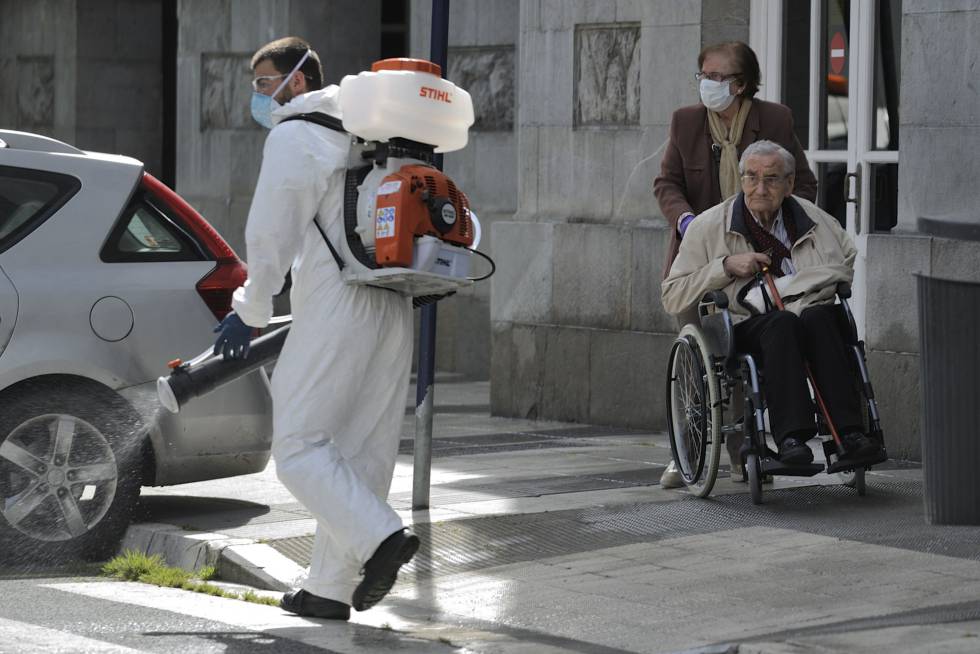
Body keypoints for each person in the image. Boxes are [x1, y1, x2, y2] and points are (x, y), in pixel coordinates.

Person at [212, 37, 418, 621]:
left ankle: (381, 538)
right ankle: (329, 589)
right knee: (360, 452)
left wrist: (249, 310)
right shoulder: (373, 132)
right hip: (392, 302)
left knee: (299, 447)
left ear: (296, 81)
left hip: (337, 303)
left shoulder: (298, 134)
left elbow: (271, 232)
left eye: (262, 82)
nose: (257, 95)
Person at [654, 41, 817, 487]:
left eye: (717, 76)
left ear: (741, 84)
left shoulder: (775, 119)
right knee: (697, 359)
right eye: (702, 74)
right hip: (699, 257)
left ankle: (742, 454)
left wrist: (776, 223)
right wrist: (685, 220)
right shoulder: (687, 122)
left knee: (744, 353)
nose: (707, 83)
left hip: (757, 255)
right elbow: (666, 182)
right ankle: (686, 453)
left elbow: (802, 182)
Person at [661, 140, 882, 466]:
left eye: (772, 179)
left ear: (790, 183)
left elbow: (844, 263)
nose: (760, 188)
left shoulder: (816, 221)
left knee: (820, 319)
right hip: (746, 324)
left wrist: (799, 289)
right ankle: (791, 438)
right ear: (741, 180)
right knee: (784, 324)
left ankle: (850, 434)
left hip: (810, 314)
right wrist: (724, 267)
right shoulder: (709, 227)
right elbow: (673, 293)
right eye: (751, 177)